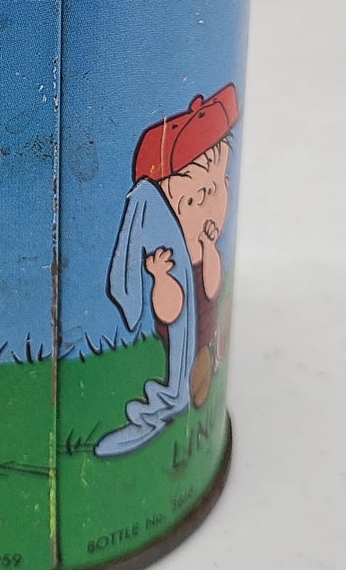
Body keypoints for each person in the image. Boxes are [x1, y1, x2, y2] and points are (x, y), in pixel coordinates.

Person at [96, 85, 240, 458]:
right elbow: (169, 311)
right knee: (188, 347)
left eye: (216, 189)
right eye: (194, 199)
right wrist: (161, 276)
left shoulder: (205, 246)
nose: (208, 204)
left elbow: (212, 285)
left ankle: (203, 367)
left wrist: (210, 249)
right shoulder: (171, 259)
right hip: (180, 320)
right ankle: (196, 373)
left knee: (207, 340)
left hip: (205, 323)